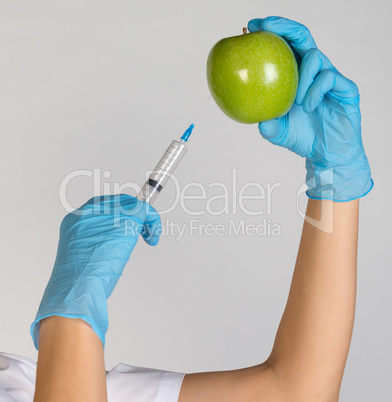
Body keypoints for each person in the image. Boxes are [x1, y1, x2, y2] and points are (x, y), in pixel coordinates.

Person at [0, 16, 373, 402]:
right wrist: (68, 317)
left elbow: (293, 394)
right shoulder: (58, 369)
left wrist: (334, 182)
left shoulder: (29, 379)